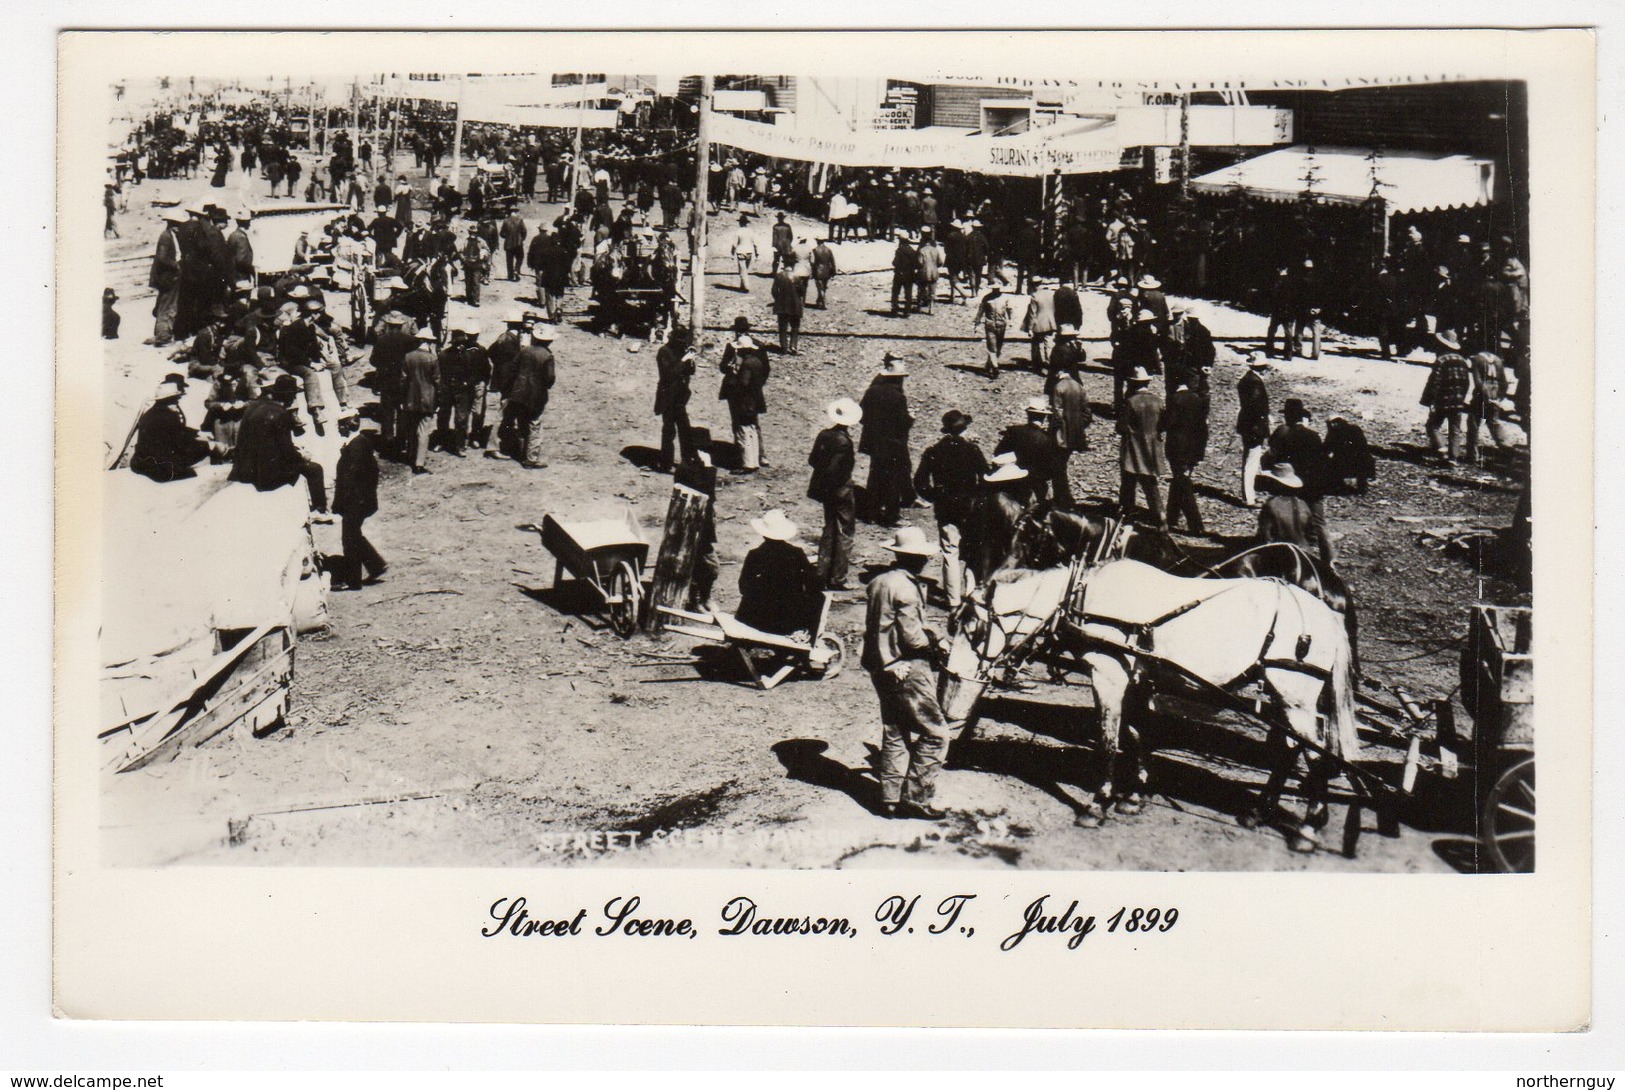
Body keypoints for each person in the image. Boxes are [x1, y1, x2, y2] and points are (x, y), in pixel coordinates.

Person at [862, 525, 951, 821]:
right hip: (907, 667)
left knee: (895, 728)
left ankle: (888, 798)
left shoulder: (878, 582)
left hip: (880, 666)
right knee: (936, 733)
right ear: (917, 559)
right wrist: (937, 640)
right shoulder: (908, 590)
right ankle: (915, 797)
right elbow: (913, 639)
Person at [913, 409, 989, 606]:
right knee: (973, 551)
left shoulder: (933, 451)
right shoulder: (972, 450)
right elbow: (986, 476)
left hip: (946, 507)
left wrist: (935, 496)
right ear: (964, 429)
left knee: (950, 551)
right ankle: (972, 594)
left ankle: (953, 600)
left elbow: (920, 482)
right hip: (970, 507)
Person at [230, 374, 330, 517]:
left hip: (245, 466)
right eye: (294, 395)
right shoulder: (280, 413)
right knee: (314, 469)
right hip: (266, 474)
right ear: (288, 395)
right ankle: (320, 511)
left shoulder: (256, 406)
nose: (294, 398)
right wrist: (302, 455)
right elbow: (286, 452)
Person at [1267, 398, 1336, 564]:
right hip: (1315, 485)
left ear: (1289, 416)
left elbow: (1276, 458)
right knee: (1320, 522)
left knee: (1292, 519)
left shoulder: (1285, 434)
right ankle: (1329, 559)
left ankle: (1292, 556)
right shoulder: (1313, 435)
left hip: (1294, 484)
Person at [735, 509, 821, 638]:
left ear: (763, 534)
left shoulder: (755, 555)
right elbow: (811, 581)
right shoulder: (797, 553)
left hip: (755, 620)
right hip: (789, 621)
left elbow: (743, 586)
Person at [808, 398, 861, 590]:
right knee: (845, 532)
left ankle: (822, 573)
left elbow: (813, 460)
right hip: (840, 490)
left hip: (824, 489)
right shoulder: (844, 442)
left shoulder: (824, 435)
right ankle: (838, 577)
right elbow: (837, 469)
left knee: (829, 530)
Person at [859, 353, 916, 527]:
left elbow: (861, 415)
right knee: (893, 479)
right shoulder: (898, 398)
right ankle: (892, 516)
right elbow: (901, 424)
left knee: (875, 476)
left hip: (875, 443)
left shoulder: (872, 391)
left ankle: (870, 512)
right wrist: (910, 418)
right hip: (893, 445)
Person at [332, 412, 387, 590]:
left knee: (349, 540)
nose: (338, 428)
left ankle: (353, 581)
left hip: (355, 501)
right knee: (354, 535)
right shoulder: (359, 443)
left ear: (347, 426)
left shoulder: (356, 447)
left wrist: (342, 503)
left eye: (340, 425)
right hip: (360, 500)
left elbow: (350, 479)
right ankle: (376, 565)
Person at [130, 374, 210, 482]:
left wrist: (197, 433)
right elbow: (179, 440)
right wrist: (206, 445)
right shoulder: (167, 416)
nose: (178, 401)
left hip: (143, 461)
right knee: (197, 461)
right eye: (175, 399)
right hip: (157, 465)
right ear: (168, 400)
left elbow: (177, 430)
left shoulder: (155, 412)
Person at [1117, 367, 1166, 528]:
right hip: (1152, 447)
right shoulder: (1158, 401)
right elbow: (1163, 425)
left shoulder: (1131, 402)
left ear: (1132, 383)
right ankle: (1159, 514)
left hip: (1133, 447)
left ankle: (1127, 512)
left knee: (1128, 481)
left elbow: (1122, 427)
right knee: (1150, 482)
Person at [505, 322, 557, 469]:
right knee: (534, 425)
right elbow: (550, 378)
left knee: (522, 423)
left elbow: (513, 369)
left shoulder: (525, 351)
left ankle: (521, 453)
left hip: (519, 393)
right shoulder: (547, 356)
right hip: (536, 396)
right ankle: (531, 458)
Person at [718, 321, 769, 473]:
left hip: (741, 394)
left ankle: (748, 458)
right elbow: (765, 369)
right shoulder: (756, 347)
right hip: (752, 393)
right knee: (751, 425)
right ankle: (754, 455)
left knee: (742, 424)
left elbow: (746, 379)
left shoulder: (743, 349)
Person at [996, 397, 1064, 507]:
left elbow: (998, 454)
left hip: (1009, 480)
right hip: (1033, 484)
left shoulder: (1013, 432)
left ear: (1028, 415)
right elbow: (1051, 470)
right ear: (1044, 417)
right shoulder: (1046, 439)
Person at [1164, 371, 1209, 534]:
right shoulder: (1197, 399)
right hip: (1192, 448)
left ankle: (1196, 525)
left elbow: (1169, 422)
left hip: (1176, 448)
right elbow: (1202, 428)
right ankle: (1171, 518)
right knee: (1179, 480)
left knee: (1182, 482)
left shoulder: (1175, 398)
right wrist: (1200, 451)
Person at [436, 318, 488, 456]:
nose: (459, 347)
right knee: (443, 416)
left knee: (461, 418)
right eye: (456, 344)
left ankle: (460, 446)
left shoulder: (469, 355)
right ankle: (442, 440)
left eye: (461, 344)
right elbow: (439, 373)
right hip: (447, 390)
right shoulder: (443, 355)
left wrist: (467, 383)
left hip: (462, 392)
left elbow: (474, 374)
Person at [1421, 339, 1475, 465]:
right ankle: (1453, 458)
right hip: (1458, 400)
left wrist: (1430, 400)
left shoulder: (1441, 360)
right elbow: (1466, 382)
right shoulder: (1463, 361)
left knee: (1433, 426)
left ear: (1443, 345)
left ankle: (1441, 450)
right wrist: (1462, 397)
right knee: (1455, 429)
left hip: (1442, 399)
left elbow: (1435, 382)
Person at [653, 324, 700, 471]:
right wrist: (684, 360)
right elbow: (668, 374)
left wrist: (691, 360)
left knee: (685, 429)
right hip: (667, 396)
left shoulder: (681, 350)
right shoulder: (664, 352)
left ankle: (688, 461)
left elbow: (690, 372)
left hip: (680, 397)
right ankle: (666, 463)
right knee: (669, 430)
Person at [1049, 363, 1092, 509]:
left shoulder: (1058, 387)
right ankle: (1065, 498)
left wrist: (1055, 430)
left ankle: (1063, 498)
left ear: (1061, 370)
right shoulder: (1079, 386)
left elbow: (1057, 412)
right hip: (1076, 434)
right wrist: (1079, 426)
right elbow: (1087, 412)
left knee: (1058, 468)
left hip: (1062, 435)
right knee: (1063, 465)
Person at [400, 326, 440, 474]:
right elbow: (437, 381)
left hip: (410, 398)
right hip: (427, 399)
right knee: (423, 431)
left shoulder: (408, 356)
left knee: (412, 428)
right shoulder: (432, 358)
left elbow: (403, 380)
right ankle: (419, 463)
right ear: (429, 342)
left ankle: (411, 455)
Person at [1255, 463, 1319, 555]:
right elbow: (1312, 535)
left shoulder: (1270, 505)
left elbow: (1265, 536)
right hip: (1304, 551)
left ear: (1276, 484)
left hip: (1280, 552)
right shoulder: (1303, 504)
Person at [1236, 352, 1272, 507]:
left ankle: (1248, 494)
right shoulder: (1256, 383)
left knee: (1248, 460)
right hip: (1255, 427)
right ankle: (1249, 498)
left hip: (1246, 425)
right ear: (1262, 367)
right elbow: (1256, 407)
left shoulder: (1245, 380)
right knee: (1252, 461)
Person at [146, 209, 186, 346]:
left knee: (164, 306)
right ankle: (163, 337)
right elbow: (162, 257)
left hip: (169, 277)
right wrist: (175, 265)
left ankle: (161, 334)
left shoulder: (170, 235)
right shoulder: (166, 237)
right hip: (168, 278)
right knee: (167, 307)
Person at [1465, 350, 1512, 464]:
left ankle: (1472, 456)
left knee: (1474, 424)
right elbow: (1504, 383)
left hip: (1481, 395)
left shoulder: (1477, 359)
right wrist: (1499, 397)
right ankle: (1507, 450)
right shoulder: (1498, 360)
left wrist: (1484, 395)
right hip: (1494, 392)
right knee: (1493, 422)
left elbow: (1478, 381)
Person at [1324, 413, 1377, 494]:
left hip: (1350, 460)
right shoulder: (1353, 429)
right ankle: (1359, 489)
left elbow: (1326, 449)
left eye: (1335, 422)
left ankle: (1344, 487)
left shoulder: (1338, 432)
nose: (1332, 425)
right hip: (1353, 461)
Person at [972, 283, 1015, 378]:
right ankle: (995, 368)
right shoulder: (987, 298)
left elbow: (1010, 309)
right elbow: (981, 311)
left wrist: (1011, 320)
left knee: (998, 348)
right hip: (990, 325)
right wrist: (977, 324)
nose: (996, 291)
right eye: (994, 289)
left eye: (997, 289)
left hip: (1001, 325)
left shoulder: (1005, 298)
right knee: (992, 348)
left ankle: (989, 365)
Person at [1023, 276, 1057, 373]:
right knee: (1048, 344)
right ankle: (1049, 364)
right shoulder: (1050, 294)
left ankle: (1038, 365)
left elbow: (1032, 313)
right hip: (1051, 322)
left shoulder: (1034, 296)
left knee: (1036, 345)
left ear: (1032, 285)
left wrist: (1029, 328)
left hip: (1039, 324)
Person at [771, 264, 803, 355]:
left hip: (782, 305)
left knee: (782, 327)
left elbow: (774, 291)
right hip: (795, 305)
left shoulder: (779, 276)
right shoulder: (797, 276)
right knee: (795, 327)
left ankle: (784, 348)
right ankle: (793, 346)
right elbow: (801, 292)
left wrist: (778, 299)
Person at [914, 228, 941, 315]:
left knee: (921, 290)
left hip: (924, 272)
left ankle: (919, 306)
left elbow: (919, 263)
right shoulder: (935, 250)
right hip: (934, 272)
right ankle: (931, 308)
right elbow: (940, 262)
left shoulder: (921, 250)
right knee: (932, 291)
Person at [499, 205, 528, 282]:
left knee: (509, 260)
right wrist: (522, 239)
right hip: (518, 242)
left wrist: (506, 237)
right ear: (516, 212)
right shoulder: (520, 220)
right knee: (520, 257)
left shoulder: (506, 221)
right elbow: (524, 231)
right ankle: (516, 269)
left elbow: (501, 233)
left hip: (508, 243)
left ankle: (510, 276)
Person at [730, 215, 757, 292]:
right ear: (746, 223)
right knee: (745, 269)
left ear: (740, 223)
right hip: (749, 252)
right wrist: (757, 254)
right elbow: (755, 243)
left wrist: (732, 253)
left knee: (742, 270)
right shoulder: (751, 232)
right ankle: (742, 285)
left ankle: (746, 286)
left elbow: (734, 244)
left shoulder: (738, 232)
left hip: (741, 252)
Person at [226, 209, 254, 283]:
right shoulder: (241, 237)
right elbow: (241, 260)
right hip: (242, 276)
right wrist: (251, 269)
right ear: (247, 222)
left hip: (234, 275)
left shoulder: (232, 235)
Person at [810, 237, 837, 309]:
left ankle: (823, 301)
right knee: (824, 287)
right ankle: (819, 301)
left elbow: (813, 262)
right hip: (827, 269)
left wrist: (812, 271)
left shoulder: (815, 250)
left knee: (819, 288)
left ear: (818, 241)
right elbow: (832, 261)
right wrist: (834, 271)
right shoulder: (828, 250)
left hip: (818, 270)